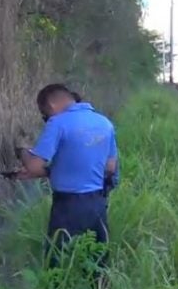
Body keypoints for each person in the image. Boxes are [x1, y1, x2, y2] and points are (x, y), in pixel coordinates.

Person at [16, 84, 118, 265]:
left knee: (57, 263)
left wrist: (22, 151)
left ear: (51, 105)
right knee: (97, 263)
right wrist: (51, 172)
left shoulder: (58, 123)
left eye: (44, 114)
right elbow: (110, 168)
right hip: (97, 205)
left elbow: (33, 166)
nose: (45, 119)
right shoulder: (105, 123)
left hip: (67, 207)